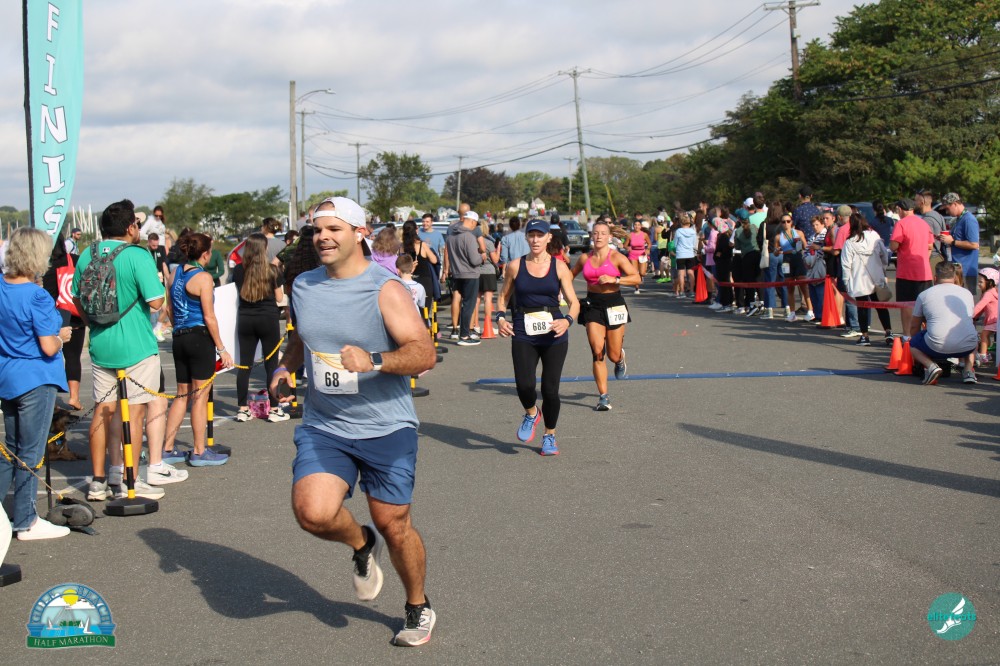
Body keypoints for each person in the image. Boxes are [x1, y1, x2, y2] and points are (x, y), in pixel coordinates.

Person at [269, 196, 438, 647]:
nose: (322, 237)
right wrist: (285, 368)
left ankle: (417, 605)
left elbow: (424, 353)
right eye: (317, 230)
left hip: (386, 426)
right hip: (326, 425)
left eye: (334, 229)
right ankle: (361, 544)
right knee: (313, 513)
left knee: (394, 525)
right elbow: (303, 340)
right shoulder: (303, 286)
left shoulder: (385, 289)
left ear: (360, 234)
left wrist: (374, 360)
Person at [72, 199, 167, 502]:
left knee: (104, 410)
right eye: (136, 224)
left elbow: (76, 297)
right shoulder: (137, 255)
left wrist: (92, 323)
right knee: (135, 413)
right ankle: (129, 479)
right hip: (137, 345)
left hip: (101, 343)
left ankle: (100, 479)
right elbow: (156, 302)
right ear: (130, 227)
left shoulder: (87, 254)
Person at [0, 228, 73, 540]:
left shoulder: (3, 286)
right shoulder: (37, 296)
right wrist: (61, 337)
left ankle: (8, 514)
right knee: (30, 453)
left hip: (8, 374)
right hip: (36, 377)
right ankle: (26, 520)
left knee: (11, 450)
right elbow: (47, 345)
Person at [495, 219, 580, 455]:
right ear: (526, 237)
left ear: (548, 238)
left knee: (550, 390)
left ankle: (549, 436)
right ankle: (532, 412)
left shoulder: (559, 267)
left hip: (554, 332)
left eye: (539, 235)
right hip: (524, 330)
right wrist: (500, 319)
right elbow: (503, 297)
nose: (535, 240)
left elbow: (574, 303)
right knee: (524, 385)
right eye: (531, 235)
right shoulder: (515, 266)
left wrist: (567, 320)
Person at [161, 233, 233, 466]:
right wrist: (222, 348)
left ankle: (167, 448)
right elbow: (209, 317)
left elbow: (169, 309)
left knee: (182, 394)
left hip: (179, 336)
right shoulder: (203, 277)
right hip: (199, 337)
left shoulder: (175, 273)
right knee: (200, 396)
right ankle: (199, 451)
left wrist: (178, 328)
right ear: (205, 254)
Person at [571, 219, 640, 411]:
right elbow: (569, 275)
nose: (599, 236)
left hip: (614, 304)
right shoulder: (584, 258)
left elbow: (636, 277)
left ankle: (620, 358)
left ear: (609, 236)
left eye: (603, 233)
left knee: (613, 354)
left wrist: (615, 279)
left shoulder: (617, 257)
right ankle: (603, 397)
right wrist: (562, 291)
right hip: (592, 305)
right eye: (596, 233)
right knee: (597, 351)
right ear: (591, 235)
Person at [231, 234, 288, 424]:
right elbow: (279, 297)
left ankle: (242, 409)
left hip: (246, 319)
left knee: (244, 365)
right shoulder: (272, 270)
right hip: (268, 318)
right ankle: (274, 409)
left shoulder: (239, 270)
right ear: (264, 249)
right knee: (271, 365)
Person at [908, 262, 979, 385]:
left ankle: (931, 366)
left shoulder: (924, 295)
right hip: (967, 346)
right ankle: (968, 370)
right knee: (971, 334)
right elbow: (969, 320)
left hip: (937, 346)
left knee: (913, 344)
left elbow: (914, 326)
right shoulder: (967, 293)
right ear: (955, 277)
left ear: (935, 278)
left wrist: (917, 342)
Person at [841, 212, 891, 347]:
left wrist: (846, 281)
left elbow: (846, 264)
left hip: (859, 279)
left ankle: (864, 336)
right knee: (881, 306)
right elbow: (884, 255)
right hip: (876, 276)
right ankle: (888, 332)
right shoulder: (874, 236)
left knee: (862, 308)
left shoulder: (850, 242)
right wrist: (883, 269)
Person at [889, 198, 934, 341]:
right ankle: (928, 335)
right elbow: (930, 246)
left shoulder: (901, 224)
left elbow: (894, 246)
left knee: (906, 305)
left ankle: (907, 336)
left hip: (906, 271)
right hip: (924, 271)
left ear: (900, 209)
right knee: (925, 306)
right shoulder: (924, 223)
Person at [445, 209, 486, 345]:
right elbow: (474, 260)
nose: (475, 227)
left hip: (457, 273)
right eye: (476, 224)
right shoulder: (468, 236)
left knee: (460, 302)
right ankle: (464, 335)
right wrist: (482, 257)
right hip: (470, 274)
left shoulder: (451, 236)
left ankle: (460, 332)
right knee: (469, 305)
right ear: (472, 221)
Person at [773, 213, 813, 322]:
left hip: (798, 258)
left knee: (803, 286)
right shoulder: (778, 236)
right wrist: (777, 251)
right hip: (786, 260)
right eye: (783, 222)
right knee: (790, 287)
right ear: (781, 224)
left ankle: (810, 311)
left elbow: (806, 246)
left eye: (788, 221)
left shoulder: (799, 233)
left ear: (791, 222)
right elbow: (775, 253)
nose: (786, 223)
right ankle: (792, 313)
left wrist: (802, 244)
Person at [938, 193, 980, 295]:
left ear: (955, 204)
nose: (947, 212)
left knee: (965, 299)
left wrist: (952, 242)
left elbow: (974, 245)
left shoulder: (969, 220)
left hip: (966, 270)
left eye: (947, 208)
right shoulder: (959, 219)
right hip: (957, 268)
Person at [973, 267, 998, 366]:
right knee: (986, 335)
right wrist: (975, 317)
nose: (978, 284)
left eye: (981, 282)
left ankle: (983, 356)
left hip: (994, 320)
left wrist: (971, 315)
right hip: (995, 320)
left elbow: (980, 306)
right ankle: (985, 353)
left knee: (984, 335)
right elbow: (982, 309)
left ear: (990, 282)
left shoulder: (988, 294)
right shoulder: (992, 292)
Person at [627, 217, 650, 294]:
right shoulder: (630, 235)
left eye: (638, 225)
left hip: (642, 254)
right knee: (635, 272)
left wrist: (647, 249)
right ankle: (636, 288)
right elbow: (625, 245)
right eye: (635, 225)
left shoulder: (644, 235)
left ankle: (641, 277)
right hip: (633, 254)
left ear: (641, 226)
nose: (637, 226)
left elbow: (649, 243)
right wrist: (627, 248)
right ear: (633, 226)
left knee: (642, 273)